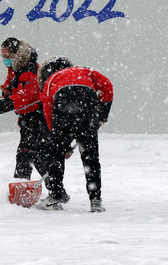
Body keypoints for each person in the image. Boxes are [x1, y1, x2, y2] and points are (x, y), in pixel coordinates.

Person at [36, 56, 113, 212]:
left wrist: (59, 143)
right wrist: (102, 115)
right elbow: (107, 87)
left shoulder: (52, 80)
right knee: (90, 157)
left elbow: (48, 111)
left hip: (63, 105)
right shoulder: (86, 71)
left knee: (55, 155)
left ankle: (55, 197)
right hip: (88, 106)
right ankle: (95, 200)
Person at [0, 38, 50, 180]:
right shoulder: (14, 68)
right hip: (26, 117)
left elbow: (22, 98)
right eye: (3, 56)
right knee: (33, 154)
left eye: (7, 56)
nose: (5, 59)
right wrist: (7, 90)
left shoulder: (29, 71)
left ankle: (26, 187)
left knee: (29, 154)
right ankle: (32, 188)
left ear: (16, 54)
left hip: (37, 117)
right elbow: (12, 85)